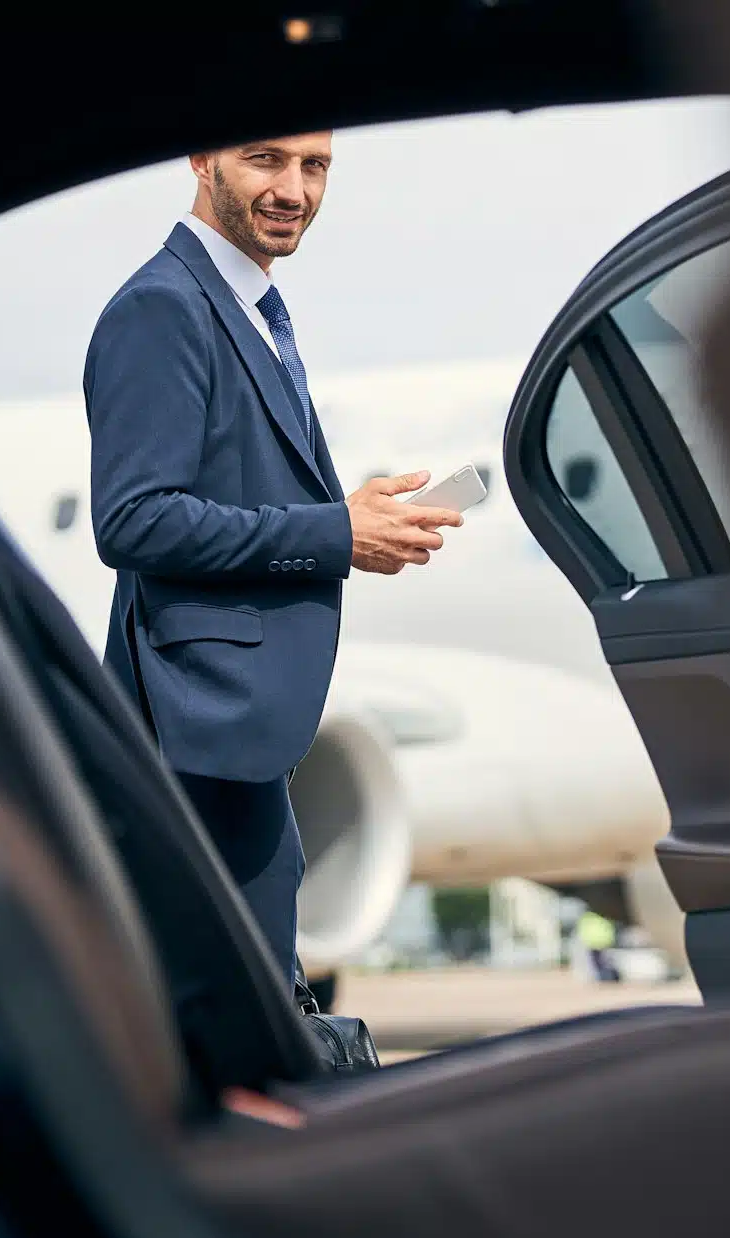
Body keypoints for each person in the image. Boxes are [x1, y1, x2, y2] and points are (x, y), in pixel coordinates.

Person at [86, 133, 464, 981]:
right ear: (199, 156)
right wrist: (336, 532)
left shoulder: (248, 309)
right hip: (199, 731)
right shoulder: (163, 308)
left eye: (315, 166)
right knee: (234, 1014)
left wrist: (356, 525)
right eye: (265, 159)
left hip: (244, 737)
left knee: (254, 1003)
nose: (294, 189)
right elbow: (135, 520)